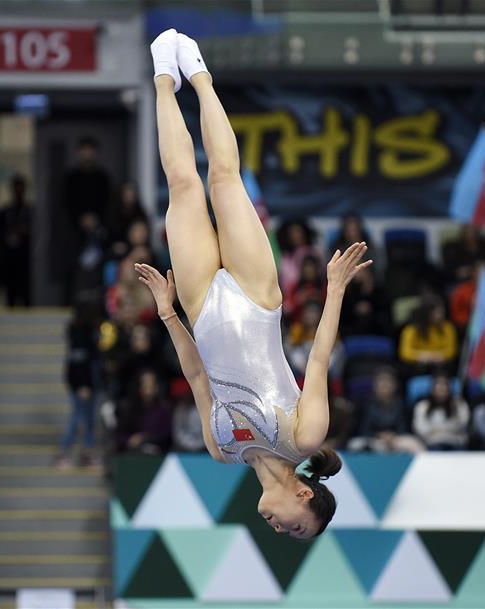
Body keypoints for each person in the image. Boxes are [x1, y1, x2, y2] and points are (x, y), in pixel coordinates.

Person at [137, 29, 373, 538]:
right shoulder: (304, 437)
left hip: (199, 308)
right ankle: (199, 75)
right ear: (304, 495)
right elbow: (317, 358)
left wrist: (167, 312)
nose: (278, 529)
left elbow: (199, 377)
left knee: (181, 187)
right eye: (295, 528)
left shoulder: (223, 450)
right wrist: (334, 290)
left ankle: (161, 77)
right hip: (255, 298)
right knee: (223, 178)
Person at [57, 305, 100, 468]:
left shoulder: (83, 331)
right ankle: (64, 452)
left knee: (89, 419)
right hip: (83, 382)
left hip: (86, 380)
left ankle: (87, 453)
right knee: (77, 418)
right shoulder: (81, 333)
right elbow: (80, 361)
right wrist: (83, 384)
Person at [349, 367, 423, 453]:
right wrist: (378, 436)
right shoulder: (365, 404)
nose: (384, 385)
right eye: (381, 382)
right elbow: (363, 429)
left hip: (396, 439)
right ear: (374, 385)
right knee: (355, 444)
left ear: (395, 385)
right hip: (372, 440)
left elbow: (404, 427)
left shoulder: (401, 404)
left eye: (388, 382)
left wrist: (393, 436)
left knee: (413, 443)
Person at [0, 174, 33, 307]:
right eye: (16, 187)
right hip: (9, 256)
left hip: (25, 255)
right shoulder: (6, 211)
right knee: (10, 289)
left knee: (26, 288)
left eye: (21, 187)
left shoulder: (30, 210)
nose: (18, 190)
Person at [64, 137, 112, 232]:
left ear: (95, 153)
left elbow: (107, 200)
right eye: (84, 150)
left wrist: (96, 218)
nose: (87, 154)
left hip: (99, 224)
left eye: (90, 150)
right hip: (74, 226)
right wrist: (80, 218)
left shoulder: (102, 177)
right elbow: (67, 201)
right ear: (79, 152)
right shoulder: (71, 177)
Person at [412, 374, 470, 450]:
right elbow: (421, 429)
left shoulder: (459, 404)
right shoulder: (422, 406)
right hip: (432, 444)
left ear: (449, 388)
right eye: (438, 385)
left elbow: (462, 425)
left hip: (456, 443)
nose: (441, 389)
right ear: (432, 389)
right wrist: (447, 430)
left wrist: (435, 429)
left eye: (444, 385)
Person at [398, 298, 457, 372]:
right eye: (437, 312)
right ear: (426, 313)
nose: (440, 315)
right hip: (418, 365)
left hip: (441, 364)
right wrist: (421, 356)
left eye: (442, 312)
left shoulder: (448, 328)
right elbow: (405, 352)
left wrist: (437, 356)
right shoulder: (411, 330)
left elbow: (451, 351)